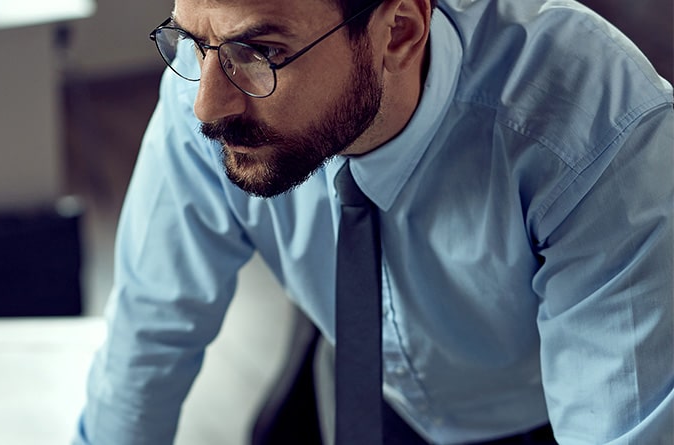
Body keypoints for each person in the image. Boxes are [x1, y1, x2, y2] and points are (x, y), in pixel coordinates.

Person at [74, 0, 674, 443]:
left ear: (398, 32)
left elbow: (618, 426)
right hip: (357, 383)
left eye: (259, 53)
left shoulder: (601, 135)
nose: (206, 104)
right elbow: (147, 339)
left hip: (545, 409)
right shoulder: (200, 94)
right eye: (193, 40)